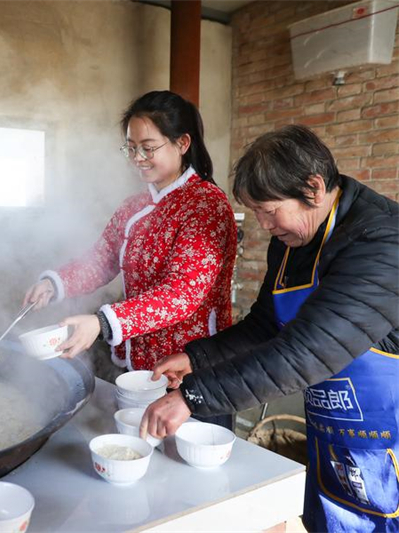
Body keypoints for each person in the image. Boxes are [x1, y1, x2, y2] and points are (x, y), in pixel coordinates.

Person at [141, 124, 399, 532]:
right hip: (331, 429)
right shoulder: (294, 237)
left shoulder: (383, 243)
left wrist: (194, 396)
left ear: (313, 188)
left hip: (389, 441)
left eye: (268, 209)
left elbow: (307, 352)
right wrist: (196, 356)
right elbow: (266, 324)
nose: (263, 225)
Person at [23, 90, 237, 391]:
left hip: (190, 364)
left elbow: (182, 294)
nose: (137, 159)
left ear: (182, 143)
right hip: (138, 358)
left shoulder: (206, 205)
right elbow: (101, 260)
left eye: (148, 149)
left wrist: (103, 322)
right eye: (131, 148)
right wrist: (55, 283)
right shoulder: (133, 206)